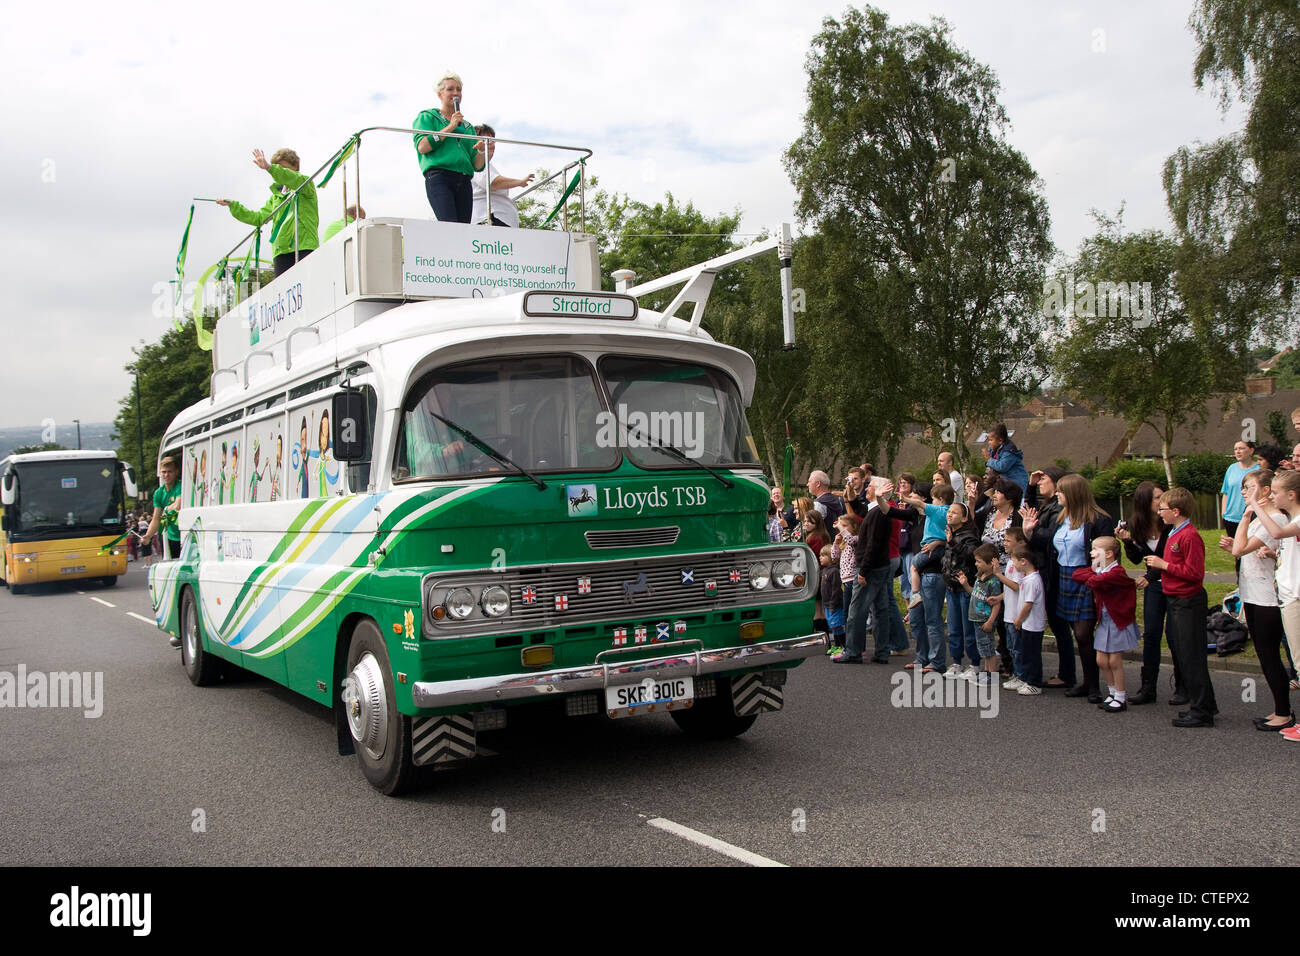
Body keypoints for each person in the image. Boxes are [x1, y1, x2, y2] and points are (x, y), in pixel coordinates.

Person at [1022, 473, 1115, 702]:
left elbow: (1107, 553)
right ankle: (1085, 682)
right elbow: (1047, 541)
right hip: (1063, 576)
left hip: (1086, 579)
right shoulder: (1061, 517)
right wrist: (1029, 531)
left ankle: (1094, 686)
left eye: (1061, 491)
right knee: (1075, 632)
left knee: (1083, 634)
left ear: (1073, 494)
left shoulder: (1099, 520)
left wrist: (1099, 578)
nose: (1057, 494)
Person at [1146, 488, 1218, 728]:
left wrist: (1163, 565)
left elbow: (1195, 573)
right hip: (1176, 599)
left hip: (1188, 601)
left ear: (1176, 511)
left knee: (1192, 656)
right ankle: (1203, 705)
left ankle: (1202, 710)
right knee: (1186, 655)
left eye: (1163, 509)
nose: (1159, 513)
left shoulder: (1189, 536)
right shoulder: (1175, 532)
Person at [1228, 471, 1292, 730]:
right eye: (1243, 488)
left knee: (1269, 655)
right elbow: (1242, 549)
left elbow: (1239, 549)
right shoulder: (1260, 520)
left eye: (1250, 487)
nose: (1244, 492)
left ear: (1265, 491)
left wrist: (1244, 516)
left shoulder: (1274, 517)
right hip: (1252, 595)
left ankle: (1284, 713)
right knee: (1265, 655)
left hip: (1267, 599)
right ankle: (1280, 709)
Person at [1118, 480, 1178, 705]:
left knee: (1174, 637)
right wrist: (1126, 543)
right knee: (1151, 635)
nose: (1162, 501)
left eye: (1163, 496)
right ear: (1145, 501)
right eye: (1157, 498)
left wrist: (1149, 577)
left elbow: (1165, 557)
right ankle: (1148, 688)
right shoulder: (1137, 524)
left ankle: (1182, 685)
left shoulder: (1170, 525)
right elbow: (1137, 558)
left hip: (1173, 583)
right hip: (1155, 587)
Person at [1251, 471, 1300, 739]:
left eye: (1277, 492)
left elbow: (1277, 531)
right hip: (1289, 595)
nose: (1273, 496)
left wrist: (1256, 504)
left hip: (1295, 597)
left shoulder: (1294, 520)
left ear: (1290, 495)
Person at [218, 148, 320, 278]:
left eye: (284, 168)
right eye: (278, 168)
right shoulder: (275, 198)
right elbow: (258, 218)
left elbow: (291, 178)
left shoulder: (305, 184)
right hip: (280, 251)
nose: (281, 172)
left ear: (295, 168)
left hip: (304, 246)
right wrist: (233, 205)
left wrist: (270, 168)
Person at [1072, 537, 1139, 712]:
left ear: (1109, 554)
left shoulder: (1116, 572)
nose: (1091, 553)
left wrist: (1093, 574)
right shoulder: (1100, 570)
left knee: (1115, 661)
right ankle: (1112, 692)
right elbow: (1077, 574)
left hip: (1118, 620)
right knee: (1101, 660)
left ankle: (1121, 697)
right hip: (1105, 620)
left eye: (1095, 550)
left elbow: (1094, 581)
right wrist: (1094, 572)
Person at [413, 72, 486, 223]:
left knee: (463, 228)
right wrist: (451, 126)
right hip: (440, 177)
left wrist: (480, 150)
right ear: (440, 94)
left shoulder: (468, 127)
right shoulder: (428, 117)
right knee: (449, 225)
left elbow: (477, 166)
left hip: (465, 180)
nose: (455, 93)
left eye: (458, 89)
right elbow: (422, 146)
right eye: (450, 89)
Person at [142, 455, 183, 645]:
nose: (166, 475)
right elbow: (156, 518)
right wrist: (148, 536)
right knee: (173, 582)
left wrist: (172, 508)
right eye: (163, 472)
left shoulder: (181, 486)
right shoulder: (159, 493)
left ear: (176, 472)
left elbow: (179, 504)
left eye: (169, 471)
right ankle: (177, 626)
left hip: (186, 537)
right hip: (171, 539)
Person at [941, 502, 982, 680]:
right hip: (951, 587)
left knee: (969, 629)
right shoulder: (950, 533)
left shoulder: (970, 536)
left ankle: (975, 664)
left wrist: (953, 543)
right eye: (949, 512)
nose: (949, 515)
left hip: (965, 587)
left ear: (964, 518)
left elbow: (971, 556)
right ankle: (957, 662)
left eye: (954, 513)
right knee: (954, 628)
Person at [470, 124, 534, 227]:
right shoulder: (478, 164)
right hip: (489, 218)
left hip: (496, 219)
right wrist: (519, 182)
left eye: (493, 140)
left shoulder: (486, 165)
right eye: (485, 140)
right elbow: (492, 182)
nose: (491, 144)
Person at [958, 543, 1002, 686]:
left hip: (985, 619)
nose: (976, 564)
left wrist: (990, 621)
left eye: (979, 562)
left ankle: (992, 675)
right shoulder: (979, 577)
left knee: (988, 649)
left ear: (991, 564)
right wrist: (965, 585)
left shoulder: (993, 582)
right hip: (976, 618)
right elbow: (975, 594)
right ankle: (986, 672)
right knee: (983, 647)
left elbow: (996, 603)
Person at [1007, 546, 1046, 695]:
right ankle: (1028, 679)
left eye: (1014, 562)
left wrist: (1018, 619)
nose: (1014, 565)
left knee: (1032, 655)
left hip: (1033, 624)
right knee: (1027, 653)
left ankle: (1034, 682)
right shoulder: (1028, 578)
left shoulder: (1032, 580)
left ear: (1023, 561)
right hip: (1028, 624)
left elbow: (1028, 604)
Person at [829, 512, 862, 658]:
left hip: (852, 578)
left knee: (850, 614)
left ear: (853, 526)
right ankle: (849, 647)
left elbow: (851, 539)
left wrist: (842, 529)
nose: (842, 529)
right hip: (845, 579)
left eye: (845, 525)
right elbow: (834, 557)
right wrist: (836, 543)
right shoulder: (844, 541)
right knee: (846, 613)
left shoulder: (856, 538)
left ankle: (853, 648)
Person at [1220, 440, 1259, 539]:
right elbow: (1225, 492)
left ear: (1251, 451)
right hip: (1231, 518)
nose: (1237, 451)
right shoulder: (1231, 468)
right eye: (1235, 449)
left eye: (1241, 448)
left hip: (1252, 516)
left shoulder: (1259, 469)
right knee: (1236, 550)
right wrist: (1224, 513)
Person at [983, 423, 1029, 492]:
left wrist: (989, 459)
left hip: (1017, 483)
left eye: (991, 440)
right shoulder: (994, 450)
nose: (989, 443)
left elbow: (1002, 467)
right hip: (1005, 483)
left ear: (1000, 440)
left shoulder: (1009, 451)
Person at [820, 545, 846, 652]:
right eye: (820, 555)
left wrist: (833, 604)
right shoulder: (825, 570)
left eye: (823, 555)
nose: (820, 557)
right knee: (832, 626)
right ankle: (837, 646)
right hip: (826, 604)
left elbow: (836, 589)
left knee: (837, 625)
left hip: (834, 604)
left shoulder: (834, 571)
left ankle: (842, 645)